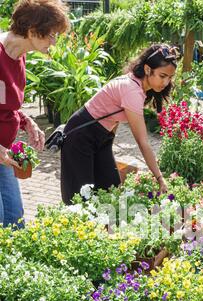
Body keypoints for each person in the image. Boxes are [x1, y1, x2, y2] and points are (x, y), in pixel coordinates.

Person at [61, 43, 178, 204]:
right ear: (147, 69)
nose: (166, 82)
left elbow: (112, 116)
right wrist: (160, 178)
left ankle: (103, 225)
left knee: (110, 185)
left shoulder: (137, 84)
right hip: (80, 135)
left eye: (170, 77)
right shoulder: (132, 91)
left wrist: (107, 143)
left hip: (100, 136)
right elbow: (143, 142)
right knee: (81, 196)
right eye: (162, 76)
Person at [0, 0, 70, 227]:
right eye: (51, 35)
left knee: (15, 220)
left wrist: (27, 121)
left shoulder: (19, 55)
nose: (54, 41)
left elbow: (4, 102)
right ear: (31, 31)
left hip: (4, 154)